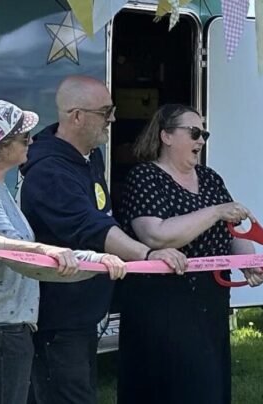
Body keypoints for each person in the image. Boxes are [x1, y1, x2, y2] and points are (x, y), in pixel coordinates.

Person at [18, 75, 187, 404]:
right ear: (76, 116)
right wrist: (148, 254)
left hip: (82, 311)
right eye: (105, 111)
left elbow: (103, 216)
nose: (113, 118)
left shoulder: (87, 156)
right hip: (59, 317)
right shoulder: (49, 171)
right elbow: (91, 225)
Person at [0, 99, 128, 404]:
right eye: (24, 137)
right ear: (2, 145)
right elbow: (23, 259)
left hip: (10, 328)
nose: (32, 141)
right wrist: (94, 261)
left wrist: (93, 259)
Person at [115, 104, 263, 404]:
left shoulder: (211, 178)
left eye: (204, 134)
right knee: (164, 387)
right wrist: (213, 212)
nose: (201, 141)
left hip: (209, 301)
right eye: (195, 133)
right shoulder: (144, 177)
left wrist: (249, 261)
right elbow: (155, 235)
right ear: (166, 137)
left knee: (208, 385)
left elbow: (233, 229)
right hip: (160, 306)